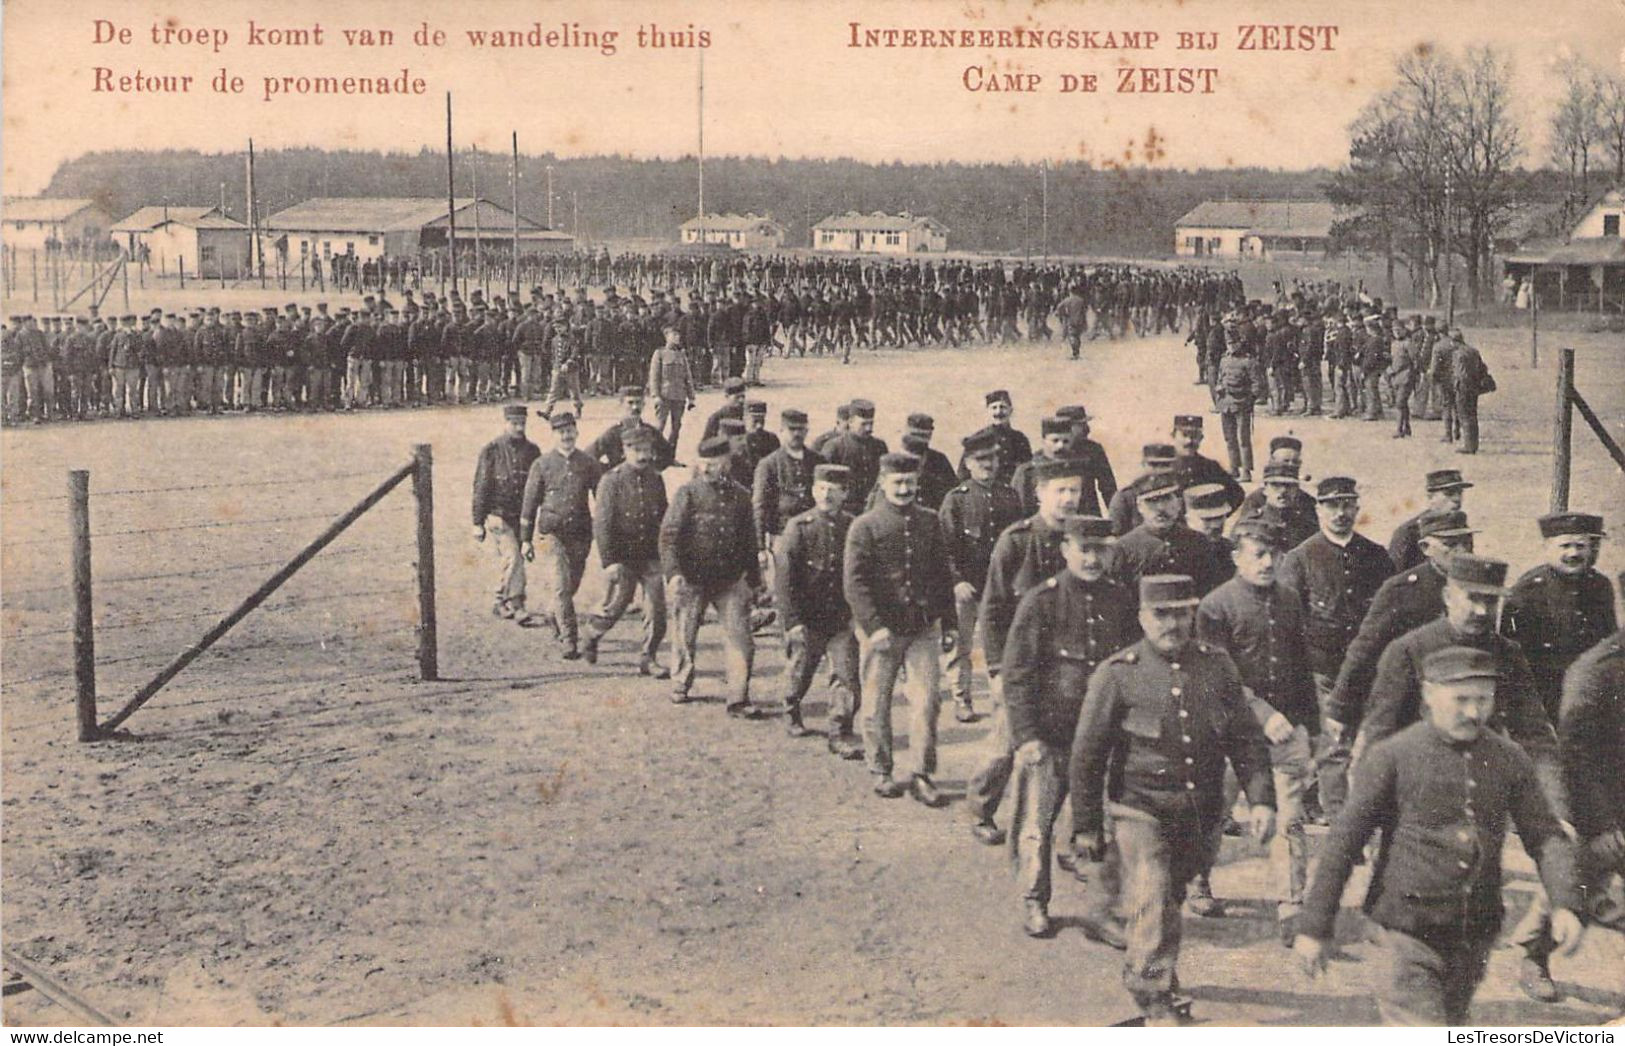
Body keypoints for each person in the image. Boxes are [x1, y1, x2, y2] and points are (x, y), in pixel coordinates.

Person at [1294, 646, 1584, 1026]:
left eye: (1483, 699)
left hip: (1472, 939)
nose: (1473, 712)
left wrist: (1565, 901)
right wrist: (1315, 927)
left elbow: (1545, 835)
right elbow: (1343, 844)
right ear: (1429, 694)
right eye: (1460, 699)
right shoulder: (1393, 756)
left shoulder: (1508, 758)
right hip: (1403, 937)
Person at [1071, 574, 1276, 1026]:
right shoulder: (1117, 674)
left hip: (1200, 810)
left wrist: (1262, 799)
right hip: (1139, 808)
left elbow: (1245, 737)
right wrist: (1087, 827)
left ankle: (1159, 970)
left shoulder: (1216, 665)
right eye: (1161, 614)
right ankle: (1153, 997)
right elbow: (1087, 756)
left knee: (1170, 897)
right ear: (1142, 618)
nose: (1172, 624)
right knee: (1153, 893)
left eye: (1181, 613)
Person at [1000, 515, 1137, 937]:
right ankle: (1033, 900)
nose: (1093, 558)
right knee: (1035, 826)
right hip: (1052, 737)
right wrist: (1026, 737)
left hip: (1105, 740)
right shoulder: (1041, 602)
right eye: (1084, 549)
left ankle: (1102, 911)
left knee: (1106, 829)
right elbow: (1017, 674)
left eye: (1101, 550)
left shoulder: (1121, 599)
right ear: (1065, 550)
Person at [1357, 555, 1568, 819]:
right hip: (1415, 792)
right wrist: (1368, 812)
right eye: (1472, 598)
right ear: (1448, 596)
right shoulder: (1408, 650)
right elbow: (1379, 734)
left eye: (1490, 601)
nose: (1481, 611)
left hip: (1480, 791)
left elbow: (1534, 735)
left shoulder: (1508, 654)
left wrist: (1556, 813)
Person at [1196, 519, 1319, 946]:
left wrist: (1311, 728)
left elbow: (1302, 666)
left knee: (1290, 818)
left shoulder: (1288, 600)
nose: (1268, 563)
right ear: (1237, 559)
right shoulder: (1215, 607)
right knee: (1213, 814)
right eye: (1258, 555)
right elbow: (1218, 676)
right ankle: (1198, 881)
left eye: (1275, 555)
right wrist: (1262, 713)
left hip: (1285, 734)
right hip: (1230, 735)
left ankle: (1291, 904)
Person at [1510, 613, 1625, 1003]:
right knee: (1577, 882)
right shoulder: (1596, 670)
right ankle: (1533, 956)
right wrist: (1604, 823)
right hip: (1601, 803)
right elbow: (1575, 756)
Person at [967, 459, 1084, 839]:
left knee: (1067, 752)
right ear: (1039, 494)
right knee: (1005, 745)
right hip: (1021, 666)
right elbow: (993, 608)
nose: (1069, 499)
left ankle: (1058, 830)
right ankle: (981, 809)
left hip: (1067, 666)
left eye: (1075, 490)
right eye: (1060, 491)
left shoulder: (1085, 540)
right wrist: (997, 670)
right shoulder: (1016, 541)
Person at [1276, 476, 1395, 821]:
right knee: (1334, 740)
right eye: (1332, 505)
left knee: (1371, 741)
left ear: (1357, 507)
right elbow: (1288, 617)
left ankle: (1366, 807)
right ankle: (1337, 814)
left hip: (1368, 668)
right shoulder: (1300, 558)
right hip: (1322, 667)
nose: (1340, 513)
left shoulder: (1376, 556)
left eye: (1347, 504)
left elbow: (1389, 612)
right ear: (1318, 510)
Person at [844, 452, 957, 805]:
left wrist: (949, 622)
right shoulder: (865, 526)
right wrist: (874, 627)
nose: (905, 488)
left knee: (927, 702)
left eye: (910, 482)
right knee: (877, 702)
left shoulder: (929, 521)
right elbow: (855, 583)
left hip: (922, 628)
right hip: (882, 632)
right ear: (883, 483)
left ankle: (921, 773)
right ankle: (881, 769)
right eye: (898, 482)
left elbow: (942, 575)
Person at [1328, 510, 1477, 735]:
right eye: (1450, 544)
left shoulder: (1479, 589)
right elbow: (1364, 649)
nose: (1462, 551)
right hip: (1410, 705)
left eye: (1466, 541)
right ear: (1426, 548)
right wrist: (1339, 708)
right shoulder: (1401, 591)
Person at [660, 435, 760, 712]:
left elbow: (749, 540)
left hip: (729, 580)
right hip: (692, 579)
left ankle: (738, 696)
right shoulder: (687, 494)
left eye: (713, 464)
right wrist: (674, 573)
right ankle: (681, 682)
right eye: (702, 463)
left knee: (740, 637)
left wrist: (754, 581)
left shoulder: (741, 496)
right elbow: (668, 536)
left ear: (726, 462)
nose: (706, 469)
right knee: (684, 633)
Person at [937, 430, 1024, 726]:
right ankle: (962, 698)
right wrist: (955, 581)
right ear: (969, 463)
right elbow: (944, 546)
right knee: (960, 645)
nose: (988, 465)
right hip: (966, 587)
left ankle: (1001, 700)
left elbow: (1018, 543)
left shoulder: (1010, 496)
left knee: (1001, 644)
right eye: (980, 460)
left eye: (992, 459)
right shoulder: (956, 500)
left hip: (1001, 588)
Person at [774, 464, 862, 748]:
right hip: (808, 618)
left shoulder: (853, 527)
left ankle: (840, 729)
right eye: (822, 489)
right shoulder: (798, 527)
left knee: (846, 675)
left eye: (834, 490)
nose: (827, 495)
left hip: (841, 618)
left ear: (845, 493)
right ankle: (791, 709)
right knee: (800, 671)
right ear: (813, 491)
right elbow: (785, 580)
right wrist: (793, 621)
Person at [1501, 512, 1616, 722]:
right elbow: (1513, 659)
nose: (1573, 553)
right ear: (1547, 547)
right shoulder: (1526, 592)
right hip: (1545, 700)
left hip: (1591, 695)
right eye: (1565, 546)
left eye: (1580, 546)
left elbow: (1609, 643)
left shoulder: (1600, 586)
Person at [580, 428, 669, 676]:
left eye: (647, 451)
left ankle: (648, 657)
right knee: (616, 605)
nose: (643, 456)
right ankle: (592, 634)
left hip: (650, 555)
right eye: (637, 450)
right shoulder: (611, 480)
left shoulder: (655, 479)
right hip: (623, 558)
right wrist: (610, 561)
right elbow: (602, 524)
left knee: (657, 609)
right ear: (625, 451)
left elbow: (664, 515)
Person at [518, 411, 603, 658]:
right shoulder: (542, 465)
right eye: (561, 432)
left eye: (570, 431)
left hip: (580, 534)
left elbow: (601, 498)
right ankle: (570, 640)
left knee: (571, 584)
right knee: (561, 586)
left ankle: (552, 613)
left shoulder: (588, 463)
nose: (566, 436)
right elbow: (529, 503)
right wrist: (525, 539)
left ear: (576, 432)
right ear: (553, 435)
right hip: (550, 533)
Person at [472, 404, 542, 622]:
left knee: (516, 559)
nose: (519, 428)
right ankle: (515, 603)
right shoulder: (491, 450)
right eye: (514, 423)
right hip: (497, 514)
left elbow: (537, 487)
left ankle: (502, 600)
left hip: (521, 516)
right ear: (505, 423)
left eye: (522, 423)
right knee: (513, 558)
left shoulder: (533, 451)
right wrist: (477, 521)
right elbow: (481, 486)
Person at [1388, 469, 1473, 573]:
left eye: (1460, 492)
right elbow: (1393, 578)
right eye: (1449, 493)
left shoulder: (1462, 527)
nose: (1457, 499)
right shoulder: (1408, 532)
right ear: (1431, 497)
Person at [1213, 336, 1267, 481]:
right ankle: (1234, 468)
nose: (1231, 346)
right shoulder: (1224, 360)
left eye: (1234, 343)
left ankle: (1246, 471)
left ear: (1239, 344)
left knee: (1243, 439)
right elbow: (1219, 378)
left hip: (1242, 404)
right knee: (1229, 438)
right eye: (1229, 343)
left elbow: (1257, 384)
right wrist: (1219, 390)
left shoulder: (1248, 361)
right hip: (1226, 404)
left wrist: (1250, 400)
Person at [822, 398, 887, 514]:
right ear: (851, 422)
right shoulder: (834, 447)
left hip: (873, 509)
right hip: (844, 510)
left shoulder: (879, 446)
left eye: (871, 423)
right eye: (864, 424)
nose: (869, 429)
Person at [1168, 415, 1244, 513]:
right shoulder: (1163, 467)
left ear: (1201, 438)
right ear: (1173, 435)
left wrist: (1216, 517)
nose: (1189, 441)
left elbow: (1237, 494)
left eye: (1195, 436)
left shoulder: (1209, 467)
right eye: (1184, 435)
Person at [956, 389, 1032, 486]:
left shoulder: (1020, 439)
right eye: (994, 408)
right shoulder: (977, 439)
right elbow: (963, 474)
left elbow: (1028, 471)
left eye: (1003, 407)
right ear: (988, 411)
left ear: (1011, 410)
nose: (998, 412)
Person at [1107, 443, 1179, 536]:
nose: (1160, 470)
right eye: (1154, 465)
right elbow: (1116, 537)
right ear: (1143, 465)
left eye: (1166, 465)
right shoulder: (1125, 498)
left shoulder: (1180, 494)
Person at [646, 324, 697, 447]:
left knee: (676, 428)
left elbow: (688, 377)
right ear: (666, 337)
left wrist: (691, 397)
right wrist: (655, 395)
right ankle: (654, 454)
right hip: (664, 396)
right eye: (674, 335)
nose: (677, 337)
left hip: (679, 396)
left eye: (678, 335)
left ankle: (670, 455)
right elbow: (654, 377)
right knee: (659, 426)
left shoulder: (681, 355)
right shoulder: (659, 353)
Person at [701, 376, 748, 441]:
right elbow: (706, 445)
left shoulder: (747, 414)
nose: (741, 400)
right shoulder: (716, 418)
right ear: (727, 396)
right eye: (737, 397)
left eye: (743, 396)